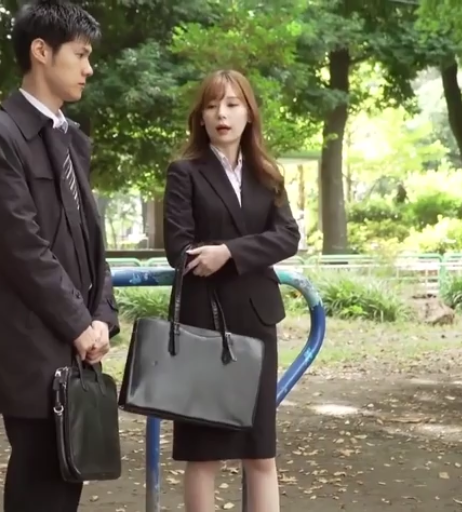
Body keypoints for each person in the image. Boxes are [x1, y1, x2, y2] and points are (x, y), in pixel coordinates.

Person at [0, 1, 119, 511]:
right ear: (41, 51)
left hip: (76, 344)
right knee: (39, 480)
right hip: (30, 344)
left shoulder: (71, 138)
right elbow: (20, 247)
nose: (89, 68)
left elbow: (92, 242)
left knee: (66, 480)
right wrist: (79, 323)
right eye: (80, 55)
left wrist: (101, 317)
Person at [162, 69, 301, 512]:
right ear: (200, 117)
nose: (221, 114)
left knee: (260, 452)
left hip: (256, 322)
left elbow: (288, 236)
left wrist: (228, 252)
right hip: (204, 323)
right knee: (204, 452)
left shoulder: (267, 175)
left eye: (232, 104)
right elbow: (179, 248)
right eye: (211, 105)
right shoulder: (185, 172)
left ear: (248, 114)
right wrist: (225, 253)